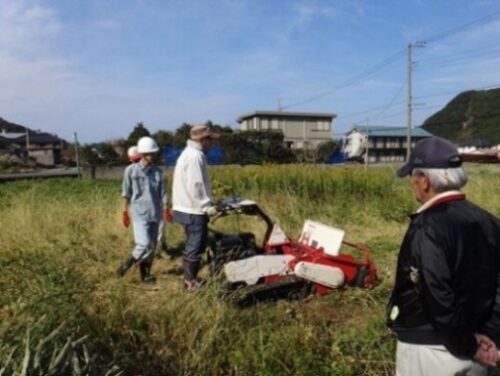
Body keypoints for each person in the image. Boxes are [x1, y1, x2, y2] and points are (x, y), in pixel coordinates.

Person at [387, 136, 500, 375]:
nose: (411, 183)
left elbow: (436, 292)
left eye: (412, 177)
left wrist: (467, 345)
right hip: (478, 343)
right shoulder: (487, 221)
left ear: (425, 181)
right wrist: (489, 334)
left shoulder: (427, 226)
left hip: (433, 350)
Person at [172, 124, 219, 291]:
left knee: (194, 245)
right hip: (193, 209)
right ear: (203, 140)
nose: (211, 144)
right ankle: (190, 283)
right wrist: (207, 206)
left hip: (186, 207)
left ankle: (189, 280)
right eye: (210, 140)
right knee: (195, 245)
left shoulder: (188, 154)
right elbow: (196, 185)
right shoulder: (195, 156)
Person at [116, 136, 168, 284]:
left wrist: (166, 208)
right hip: (139, 213)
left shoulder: (158, 172)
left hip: (155, 213)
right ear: (142, 154)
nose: (152, 156)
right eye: (149, 154)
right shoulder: (130, 171)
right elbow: (126, 192)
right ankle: (124, 268)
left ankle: (145, 275)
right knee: (143, 244)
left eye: (153, 153)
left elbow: (163, 193)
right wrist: (124, 211)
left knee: (152, 246)